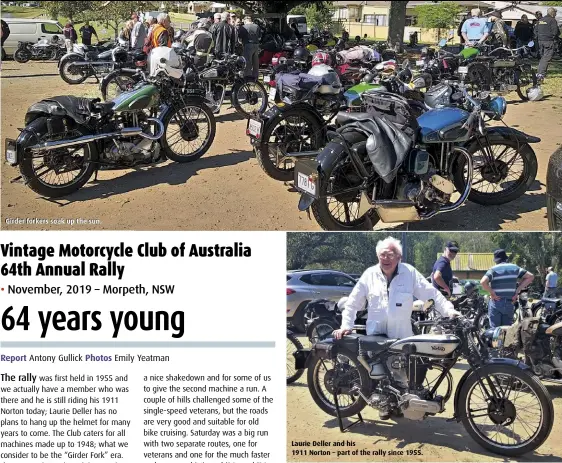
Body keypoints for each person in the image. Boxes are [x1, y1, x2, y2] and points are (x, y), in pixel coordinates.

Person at [334, 237, 461, 341]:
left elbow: (432, 294)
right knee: (375, 372)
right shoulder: (369, 274)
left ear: (399, 257)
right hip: (375, 341)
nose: (385, 259)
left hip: (402, 341)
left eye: (390, 255)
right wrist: (346, 326)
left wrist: (449, 311)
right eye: (382, 255)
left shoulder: (409, 273)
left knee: (403, 373)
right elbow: (352, 303)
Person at [481, 249, 534, 328]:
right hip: (510, 302)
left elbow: (483, 282)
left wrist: (492, 293)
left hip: (496, 302)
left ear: (496, 260)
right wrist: (517, 290)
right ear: (506, 258)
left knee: (496, 330)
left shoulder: (493, 269)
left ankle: (496, 340)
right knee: (507, 330)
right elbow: (531, 276)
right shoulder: (515, 268)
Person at [536, 7, 561, 82]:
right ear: (552, 13)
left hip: (540, 41)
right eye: (555, 13)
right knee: (547, 57)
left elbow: (536, 30)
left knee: (543, 57)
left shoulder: (541, 20)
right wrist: (554, 38)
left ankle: (540, 72)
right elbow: (555, 32)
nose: (556, 14)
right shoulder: (552, 20)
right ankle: (541, 74)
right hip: (548, 41)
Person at [239, 15, 261, 80]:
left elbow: (240, 37)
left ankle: (247, 78)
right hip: (256, 45)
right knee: (256, 62)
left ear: (245, 20)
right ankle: (255, 78)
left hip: (247, 45)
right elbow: (259, 37)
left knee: (247, 62)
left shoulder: (243, 27)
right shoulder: (257, 26)